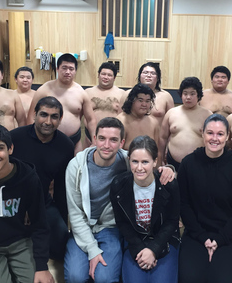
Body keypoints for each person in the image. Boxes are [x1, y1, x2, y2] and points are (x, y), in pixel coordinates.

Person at [64, 117, 175, 283]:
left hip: (111, 228)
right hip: (83, 226)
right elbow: (75, 214)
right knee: (75, 277)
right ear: (94, 139)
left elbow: (148, 166)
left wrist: (169, 169)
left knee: (105, 278)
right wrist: (93, 250)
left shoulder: (128, 161)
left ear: (122, 143)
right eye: (102, 138)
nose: (107, 145)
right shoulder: (76, 167)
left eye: (113, 140)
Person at [0, 124, 53, 283]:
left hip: (20, 242)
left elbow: (40, 223)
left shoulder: (28, 178)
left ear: (10, 149)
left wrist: (41, 266)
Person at [177, 114, 232, 283]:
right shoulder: (188, 164)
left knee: (225, 280)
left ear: (228, 137)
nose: (214, 138)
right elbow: (183, 204)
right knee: (189, 278)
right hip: (196, 233)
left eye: (220, 134)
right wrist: (202, 237)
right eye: (210, 133)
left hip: (229, 236)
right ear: (202, 134)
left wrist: (220, 239)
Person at [10, 96, 74, 261]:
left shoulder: (65, 145)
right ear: (34, 115)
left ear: (60, 120)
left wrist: (62, 218)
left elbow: (61, 187)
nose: (48, 121)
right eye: (43, 115)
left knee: (61, 242)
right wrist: (21, 207)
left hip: (42, 201)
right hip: (11, 200)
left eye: (54, 117)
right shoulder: (15, 138)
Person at [110, 135, 180, 283]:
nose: (139, 167)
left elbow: (172, 221)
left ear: (155, 161)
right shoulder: (118, 185)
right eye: (135, 161)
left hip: (164, 240)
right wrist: (140, 249)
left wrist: (153, 249)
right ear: (129, 160)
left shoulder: (168, 184)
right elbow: (122, 223)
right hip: (136, 241)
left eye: (145, 162)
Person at [27, 53, 96, 153]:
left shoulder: (81, 93)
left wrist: (95, 141)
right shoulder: (44, 90)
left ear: (75, 71)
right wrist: (32, 140)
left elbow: (91, 120)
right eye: (64, 68)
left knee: (75, 168)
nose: (68, 72)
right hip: (45, 141)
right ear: (57, 69)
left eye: (71, 69)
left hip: (74, 143)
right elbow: (31, 116)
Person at [159, 77, 212, 170]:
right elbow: (162, 138)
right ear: (181, 95)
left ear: (198, 95)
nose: (188, 97)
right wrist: (160, 158)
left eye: (192, 94)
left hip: (200, 164)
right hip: (173, 164)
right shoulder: (171, 113)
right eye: (185, 93)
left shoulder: (207, 115)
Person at [84, 62, 125, 147]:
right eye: (103, 74)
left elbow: (125, 118)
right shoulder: (87, 93)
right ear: (98, 75)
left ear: (114, 78)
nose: (106, 77)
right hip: (90, 136)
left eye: (109, 75)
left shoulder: (122, 94)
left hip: (113, 136)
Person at [117, 83, 159, 154]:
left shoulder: (154, 122)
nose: (144, 104)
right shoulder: (121, 121)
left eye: (147, 101)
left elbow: (157, 150)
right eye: (140, 100)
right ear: (132, 100)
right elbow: (116, 151)